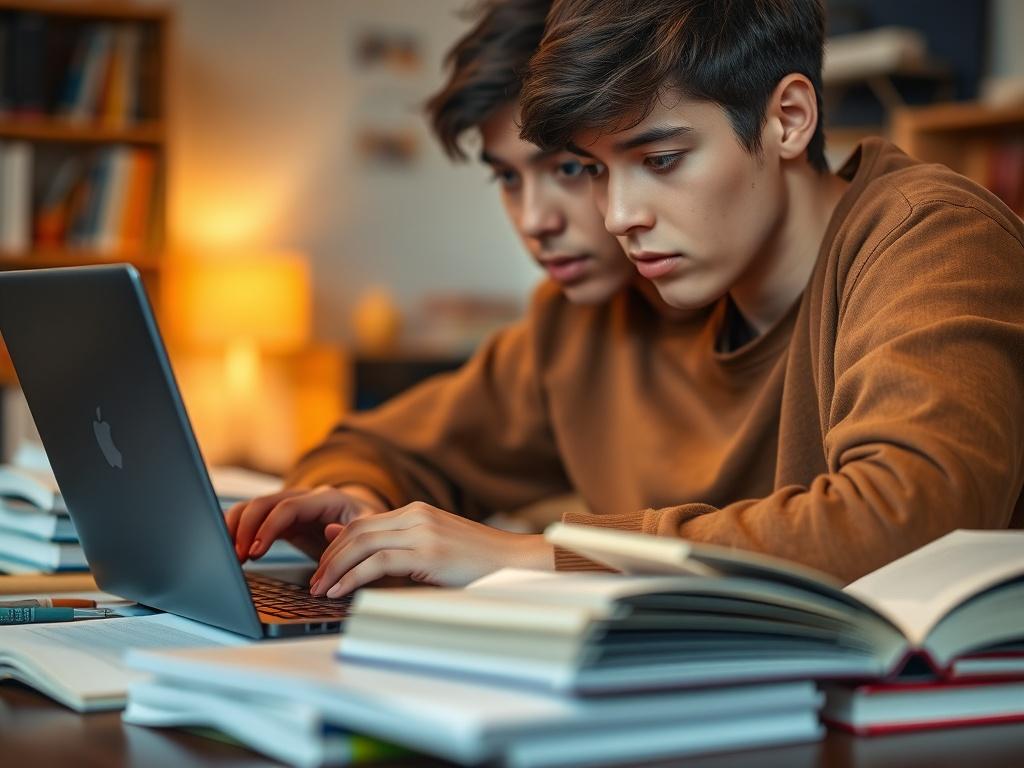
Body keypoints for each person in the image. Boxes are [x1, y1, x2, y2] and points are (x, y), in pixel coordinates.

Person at [508, 0, 1024, 581]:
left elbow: (907, 514)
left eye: (662, 159)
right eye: (595, 171)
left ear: (790, 119)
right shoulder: (673, 289)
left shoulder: (934, 235)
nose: (618, 218)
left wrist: (546, 555)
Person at [228, 0, 685, 595]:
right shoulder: (572, 326)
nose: (533, 220)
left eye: (571, 169)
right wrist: (358, 502)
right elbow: (381, 445)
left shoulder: (810, 290)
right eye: (508, 178)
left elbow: (838, 523)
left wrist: (526, 554)